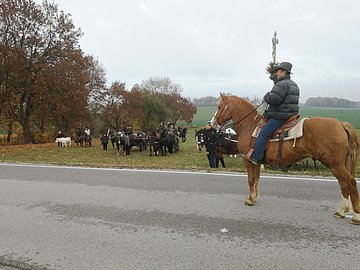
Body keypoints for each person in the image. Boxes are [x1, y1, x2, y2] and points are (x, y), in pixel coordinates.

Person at [243, 61, 300, 165]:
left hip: (280, 116)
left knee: (264, 132)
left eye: (278, 71)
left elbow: (274, 99)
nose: (276, 74)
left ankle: (256, 157)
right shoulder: (293, 84)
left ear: (283, 72)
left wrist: (266, 96)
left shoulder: (281, 84)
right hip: (290, 114)